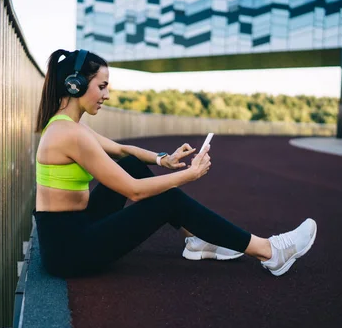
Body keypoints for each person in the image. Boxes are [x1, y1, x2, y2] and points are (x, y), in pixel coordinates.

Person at [33, 49, 317, 278]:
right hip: (69, 252)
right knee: (163, 201)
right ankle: (269, 251)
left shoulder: (65, 126)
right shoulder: (71, 134)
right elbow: (134, 191)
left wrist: (162, 159)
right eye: (102, 86)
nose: (107, 95)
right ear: (76, 84)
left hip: (68, 233)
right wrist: (188, 175)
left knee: (131, 163)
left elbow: (121, 149)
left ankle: (197, 240)